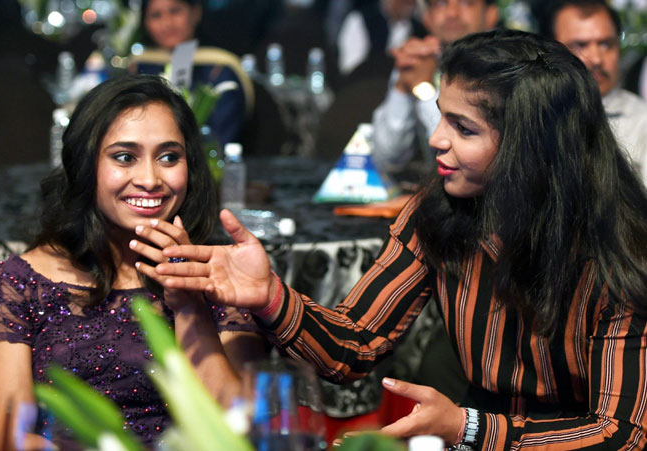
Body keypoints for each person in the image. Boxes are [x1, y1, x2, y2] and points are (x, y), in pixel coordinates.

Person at [139, 29, 647, 449]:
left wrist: (471, 427)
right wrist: (271, 296)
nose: (435, 139)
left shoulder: (620, 248)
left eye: (463, 128)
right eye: (441, 115)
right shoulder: (440, 214)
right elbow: (353, 342)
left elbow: (624, 433)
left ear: (528, 146)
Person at [0, 74, 264, 450]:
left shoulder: (219, 277)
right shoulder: (20, 284)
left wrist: (189, 305)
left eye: (169, 157)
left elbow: (238, 431)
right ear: (85, 165)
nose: (150, 179)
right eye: (125, 157)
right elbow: (9, 440)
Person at [370, 0, 499, 173]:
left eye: (466, 3)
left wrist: (423, 88)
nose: (452, 13)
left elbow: (465, 156)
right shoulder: (419, 59)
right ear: (427, 17)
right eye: (441, 4)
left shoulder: (506, 65)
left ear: (491, 15)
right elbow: (386, 159)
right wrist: (401, 86)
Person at [540, 0, 647, 185]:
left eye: (606, 44)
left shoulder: (642, 121)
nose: (597, 58)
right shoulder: (530, 113)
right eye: (580, 45)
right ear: (549, 51)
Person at [134, 0, 247, 148]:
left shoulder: (218, 68)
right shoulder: (137, 68)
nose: (167, 23)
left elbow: (222, 138)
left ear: (196, 13)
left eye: (175, 11)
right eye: (156, 15)